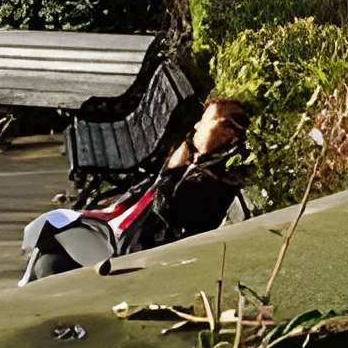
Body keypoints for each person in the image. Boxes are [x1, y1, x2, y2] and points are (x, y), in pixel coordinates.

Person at [20, 98, 254, 283]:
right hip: (118, 235)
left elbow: (169, 215)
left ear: (226, 131)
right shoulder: (197, 164)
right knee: (47, 245)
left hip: (130, 252)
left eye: (204, 120)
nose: (196, 125)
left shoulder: (211, 180)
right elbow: (144, 199)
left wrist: (170, 173)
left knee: (49, 264)